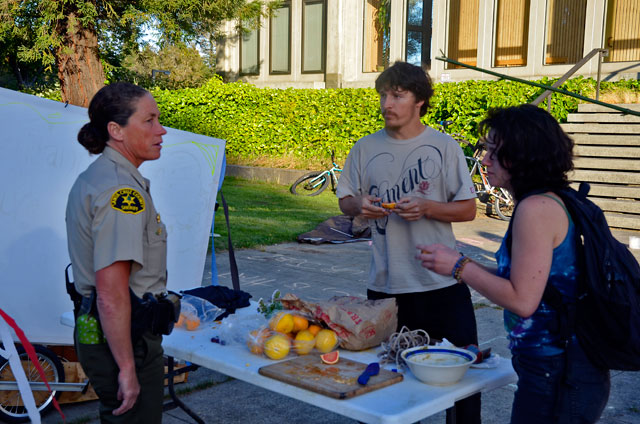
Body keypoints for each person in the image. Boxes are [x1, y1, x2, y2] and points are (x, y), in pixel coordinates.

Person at [417, 104, 610, 423]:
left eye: (493, 151)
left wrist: (459, 267)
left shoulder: (536, 209)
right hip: (560, 369)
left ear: (523, 155)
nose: (483, 159)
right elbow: (530, 281)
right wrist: (459, 263)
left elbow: (522, 300)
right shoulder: (550, 199)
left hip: (559, 373)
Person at [336, 61, 480, 423]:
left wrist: (429, 207)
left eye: (397, 95)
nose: (387, 103)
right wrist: (360, 206)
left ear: (420, 101)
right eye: (384, 95)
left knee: (465, 385)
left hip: (441, 285)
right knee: (388, 384)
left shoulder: (444, 147)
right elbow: (345, 200)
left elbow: (467, 210)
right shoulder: (364, 148)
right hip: (385, 287)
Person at [66, 82, 169, 423]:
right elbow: (111, 293)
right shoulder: (121, 192)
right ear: (116, 130)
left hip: (108, 333)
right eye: (150, 120)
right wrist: (127, 367)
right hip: (127, 341)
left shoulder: (103, 177)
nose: (161, 129)